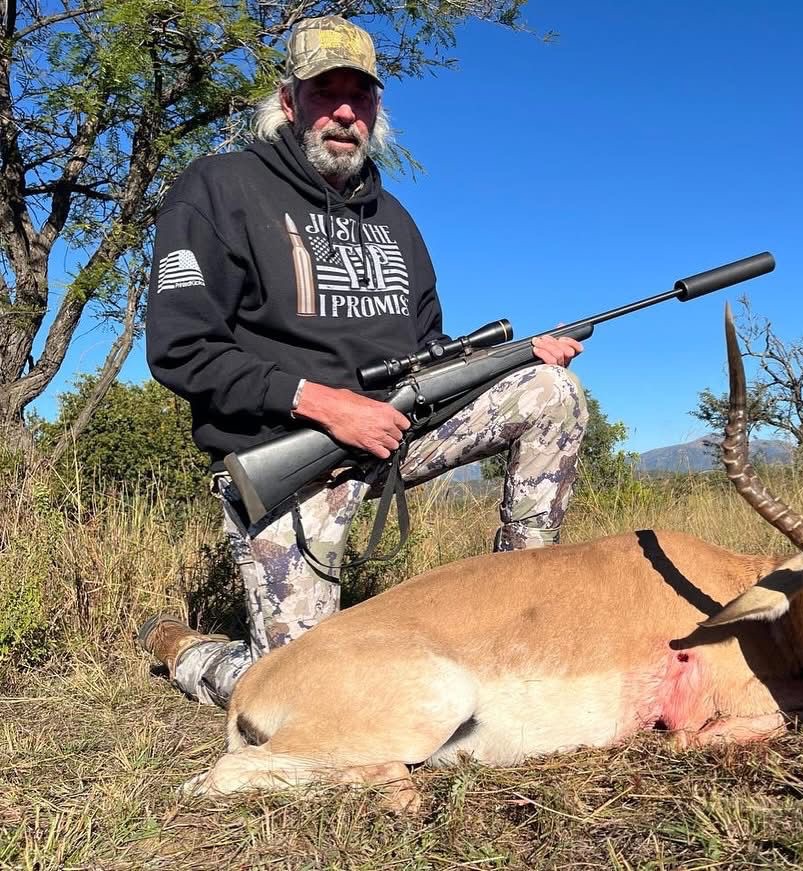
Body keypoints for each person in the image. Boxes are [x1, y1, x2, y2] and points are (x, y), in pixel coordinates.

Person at [138, 16, 587, 708]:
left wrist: (517, 357)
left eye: (360, 96)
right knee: (300, 700)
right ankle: (189, 652)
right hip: (288, 458)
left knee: (550, 390)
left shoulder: (395, 219)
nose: (345, 112)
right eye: (326, 92)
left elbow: (428, 350)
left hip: (392, 438)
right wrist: (322, 403)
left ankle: (518, 624)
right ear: (289, 101)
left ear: (377, 109)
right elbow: (181, 348)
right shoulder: (217, 188)